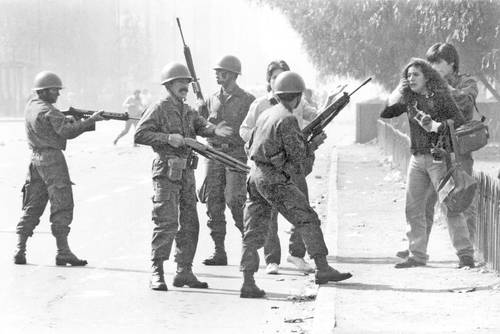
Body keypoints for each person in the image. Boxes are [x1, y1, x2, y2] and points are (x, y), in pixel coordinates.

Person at [240, 71, 352, 298]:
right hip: (273, 179)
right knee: (306, 218)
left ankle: (248, 281)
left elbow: (254, 144)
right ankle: (322, 268)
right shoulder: (288, 119)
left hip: (255, 176)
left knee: (253, 230)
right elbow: (298, 158)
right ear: (298, 97)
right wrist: (314, 144)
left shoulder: (267, 114)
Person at [134, 62, 232, 291]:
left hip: (187, 173)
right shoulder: (159, 107)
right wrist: (168, 138)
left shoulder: (187, 110)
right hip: (166, 172)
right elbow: (140, 134)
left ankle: (184, 271)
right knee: (166, 222)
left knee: (190, 224)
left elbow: (201, 124)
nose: (185, 87)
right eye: (180, 83)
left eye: (187, 83)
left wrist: (213, 130)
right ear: (168, 84)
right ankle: (156, 272)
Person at [381, 58, 475, 269]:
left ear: (427, 77)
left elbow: (459, 122)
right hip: (417, 159)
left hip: (438, 159)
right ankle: (417, 255)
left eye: (415, 75)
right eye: (408, 75)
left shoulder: (440, 97)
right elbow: (386, 112)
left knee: (451, 206)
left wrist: (436, 126)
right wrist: (399, 88)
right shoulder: (409, 98)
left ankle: (465, 254)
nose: (410, 78)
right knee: (413, 209)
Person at [13, 71, 105, 266]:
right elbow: (67, 131)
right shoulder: (50, 111)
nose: (58, 94)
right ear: (44, 91)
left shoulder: (31, 106)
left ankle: (19, 248)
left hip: (35, 159)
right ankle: (63, 251)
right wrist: (90, 121)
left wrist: (73, 119)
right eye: (55, 90)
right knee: (62, 203)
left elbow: (52, 125)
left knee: (33, 203)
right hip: (52, 159)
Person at [240, 60, 317, 275]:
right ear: (269, 80)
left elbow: (315, 115)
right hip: (269, 167)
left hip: (292, 165)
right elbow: (244, 130)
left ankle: (297, 254)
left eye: (284, 76)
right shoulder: (260, 105)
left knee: (301, 207)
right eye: (275, 77)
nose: (279, 81)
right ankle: (272, 259)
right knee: (270, 214)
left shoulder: (298, 102)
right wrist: (258, 143)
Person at [199, 55, 256, 266]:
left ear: (232, 74)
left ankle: (248, 247)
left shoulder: (248, 100)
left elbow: (253, 128)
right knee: (213, 202)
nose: (217, 74)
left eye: (221, 72)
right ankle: (219, 251)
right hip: (213, 155)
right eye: (216, 72)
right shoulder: (210, 98)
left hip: (235, 154)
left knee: (235, 200)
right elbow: (199, 124)